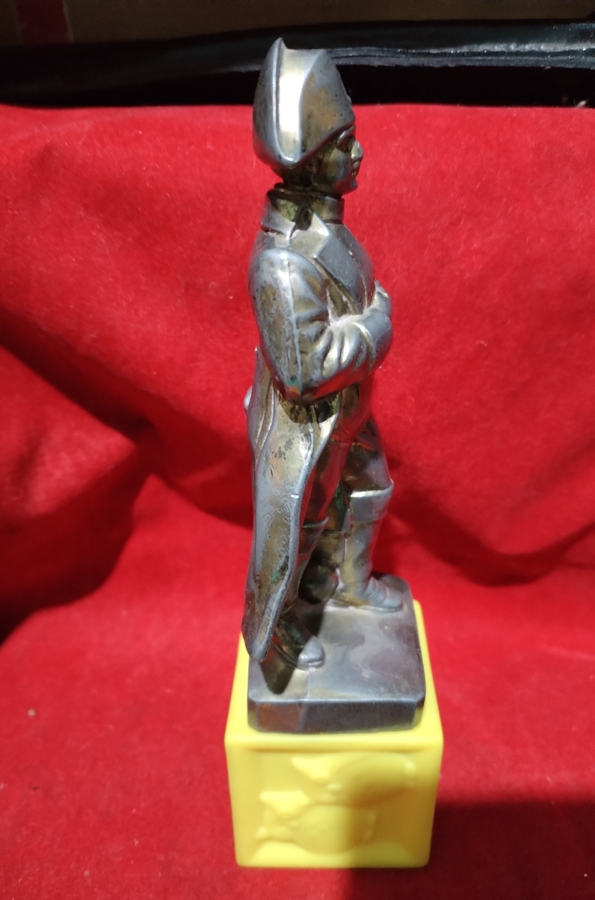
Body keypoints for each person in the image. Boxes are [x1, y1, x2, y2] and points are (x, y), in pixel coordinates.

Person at [243, 39, 408, 670]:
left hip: (349, 412)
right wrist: (376, 329)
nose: (357, 152)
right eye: (344, 143)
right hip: (306, 431)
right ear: (311, 164)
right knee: (298, 532)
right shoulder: (283, 264)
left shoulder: (325, 229)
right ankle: (280, 629)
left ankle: (350, 584)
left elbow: (360, 292)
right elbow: (305, 370)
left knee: (370, 492)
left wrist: (368, 315)